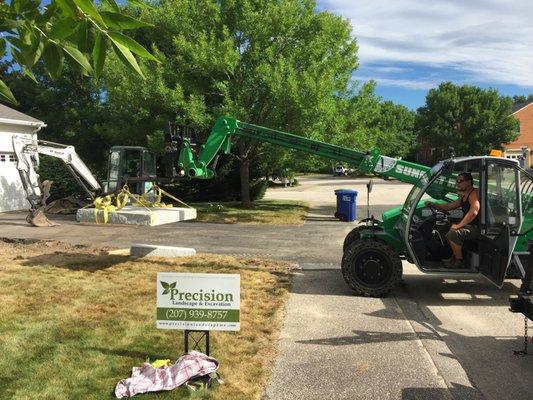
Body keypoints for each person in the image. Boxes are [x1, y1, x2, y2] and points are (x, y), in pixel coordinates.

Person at [425, 172, 480, 268]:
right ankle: (452, 255)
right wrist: (433, 204)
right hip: (469, 225)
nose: (457, 183)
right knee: (445, 228)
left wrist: (459, 226)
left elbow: (474, 212)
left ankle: (459, 261)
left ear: (469, 182)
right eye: (457, 181)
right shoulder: (464, 195)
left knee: (452, 233)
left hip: (477, 227)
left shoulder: (473, 194)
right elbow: (449, 206)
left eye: (460, 181)